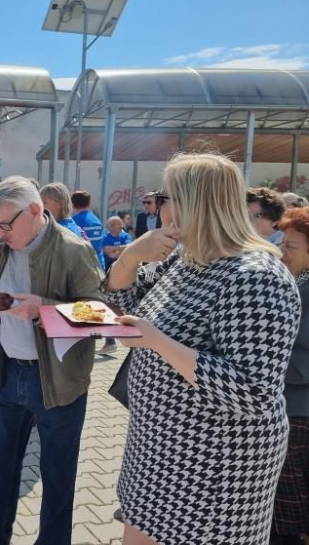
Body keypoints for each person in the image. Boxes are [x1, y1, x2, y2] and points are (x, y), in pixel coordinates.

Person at [105, 153, 300, 545]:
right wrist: (131, 255)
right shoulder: (187, 259)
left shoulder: (256, 277)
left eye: (165, 197)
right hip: (159, 450)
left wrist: (156, 341)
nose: (158, 207)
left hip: (213, 468)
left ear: (196, 203)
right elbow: (122, 304)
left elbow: (254, 391)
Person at [0, 176, 103, 545]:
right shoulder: (2, 248)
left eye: (5, 224)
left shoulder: (72, 249)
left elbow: (101, 315)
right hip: (6, 373)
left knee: (56, 476)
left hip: (57, 381)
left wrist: (45, 310)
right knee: (0, 465)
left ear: (36, 211)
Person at [272, 208, 309, 544]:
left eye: (291, 246)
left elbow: (303, 364)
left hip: (298, 413)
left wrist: (262, 356)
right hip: (289, 407)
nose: (281, 252)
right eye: (282, 244)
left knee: (290, 501)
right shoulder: (294, 283)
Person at [71, 190, 104, 267]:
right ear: (89, 204)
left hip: (83, 266)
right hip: (99, 264)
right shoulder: (97, 220)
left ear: (72, 205)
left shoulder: (73, 222)